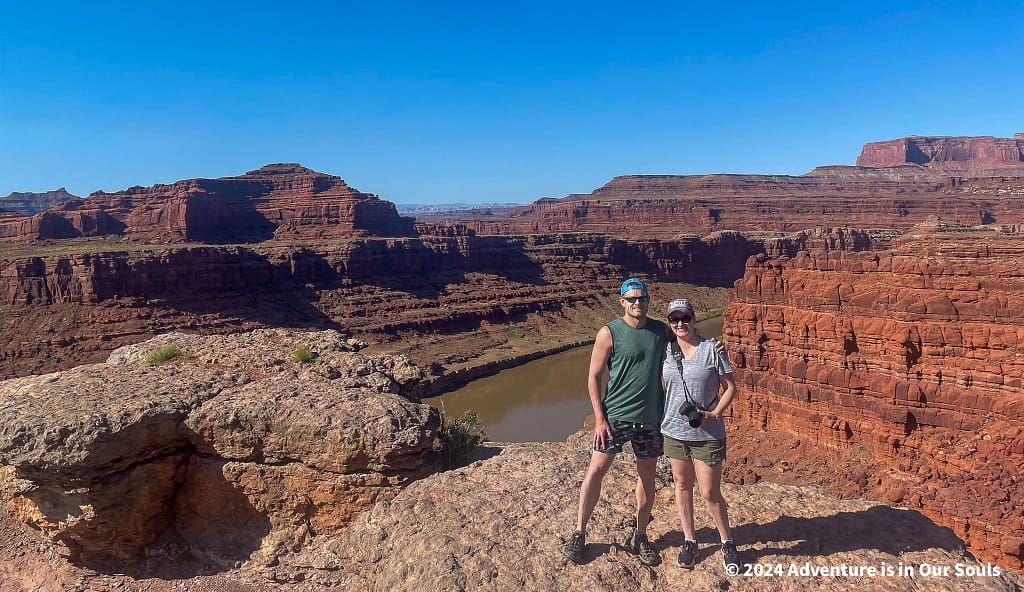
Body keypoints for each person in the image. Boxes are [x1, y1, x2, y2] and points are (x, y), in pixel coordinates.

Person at [562, 278, 667, 566]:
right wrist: (599, 419)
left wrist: (712, 348)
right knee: (596, 471)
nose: (637, 303)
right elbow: (593, 377)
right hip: (615, 417)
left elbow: (687, 341)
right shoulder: (609, 332)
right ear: (622, 301)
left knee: (647, 477)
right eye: (631, 299)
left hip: (649, 419)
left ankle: (640, 536)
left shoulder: (660, 331)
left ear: (648, 300)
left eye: (642, 298)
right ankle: (579, 533)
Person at [659, 298, 740, 574]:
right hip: (674, 430)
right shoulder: (665, 351)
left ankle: (727, 541)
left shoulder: (712, 349)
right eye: (674, 320)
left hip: (707, 433)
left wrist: (715, 413)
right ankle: (690, 540)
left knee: (709, 492)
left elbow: (730, 388)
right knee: (682, 486)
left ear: (694, 319)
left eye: (685, 318)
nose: (680, 324)